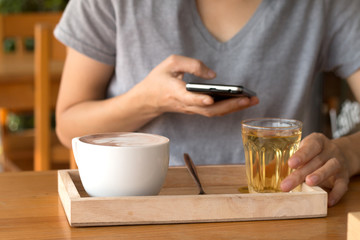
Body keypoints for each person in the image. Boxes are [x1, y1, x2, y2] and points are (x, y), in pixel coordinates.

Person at [54, 0, 360, 207]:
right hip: (135, 210)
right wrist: (147, 101)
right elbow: (68, 126)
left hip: (279, 211)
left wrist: (347, 151)